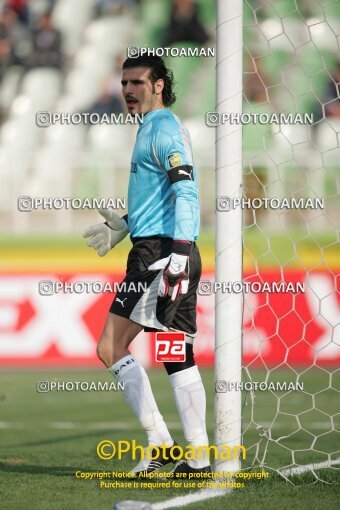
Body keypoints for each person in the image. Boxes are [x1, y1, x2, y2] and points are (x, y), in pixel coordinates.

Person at [83, 55, 211, 477]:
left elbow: (187, 193)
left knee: (131, 349)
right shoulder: (150, 129)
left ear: (158, 85)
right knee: (155, 351)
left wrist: (177, 252)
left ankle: (175, 449)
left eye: (137, 82)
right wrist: (124, 226)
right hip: (156, 248)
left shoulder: (165, 130)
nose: (128, 90)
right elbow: (158, 200)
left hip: (162, 253)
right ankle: (182, 453)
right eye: (124, 83)